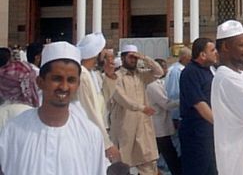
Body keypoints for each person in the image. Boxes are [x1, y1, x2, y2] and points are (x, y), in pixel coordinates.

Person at [0, 41, 108, 174]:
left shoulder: (90, 134)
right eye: (57, 79)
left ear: (78, 84)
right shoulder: (14, 130)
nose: (64, 87)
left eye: (71, 80)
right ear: (40, 82)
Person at [210, 20, 243, 175]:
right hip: (239, 165)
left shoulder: (240, 75)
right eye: (242, 45)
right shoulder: (228, 79)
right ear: (226, 47)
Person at [106, 44, 163, 175]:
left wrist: (144, 57)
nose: (134, 60)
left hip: (142, 127)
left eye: (135, 57)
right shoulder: (115, 77)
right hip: (124, 128)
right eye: (131, 57)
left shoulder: (141, 75)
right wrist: (142, 108)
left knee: (148, 163)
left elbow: (159, 72)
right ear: (123, 57)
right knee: (122, 165)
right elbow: (122, 99)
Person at [76, 32, 119, 163]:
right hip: (90, 134)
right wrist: (106, 143)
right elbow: (90, 111)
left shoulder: (93, 74)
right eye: (104, 54)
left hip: (101, 130)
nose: (108, 58)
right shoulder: (82, 75)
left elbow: (106, 98)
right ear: (96, 54)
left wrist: (110, 76)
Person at [180, 37, 218, 175]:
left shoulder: (208, 70)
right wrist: (220, 124)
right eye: (212, 50)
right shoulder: (190, 73)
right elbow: (199, 103)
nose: (216, 52)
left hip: (208, 132)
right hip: (196, 133)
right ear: (202, 55)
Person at [146, 58, 181, 175]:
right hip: (158, 126)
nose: (166, 70)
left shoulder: (157, 82)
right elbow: (165, 104)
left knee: (162, 154)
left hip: (160, 125)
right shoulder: (152, 85)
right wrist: (182, 101)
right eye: (164, 67)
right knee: (169, 154)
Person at [165, 46, 191, 123]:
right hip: (177, 112)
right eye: (189, 57)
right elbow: (174, 92)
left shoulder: (182, 69)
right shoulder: (176, 71)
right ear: (184, 57)